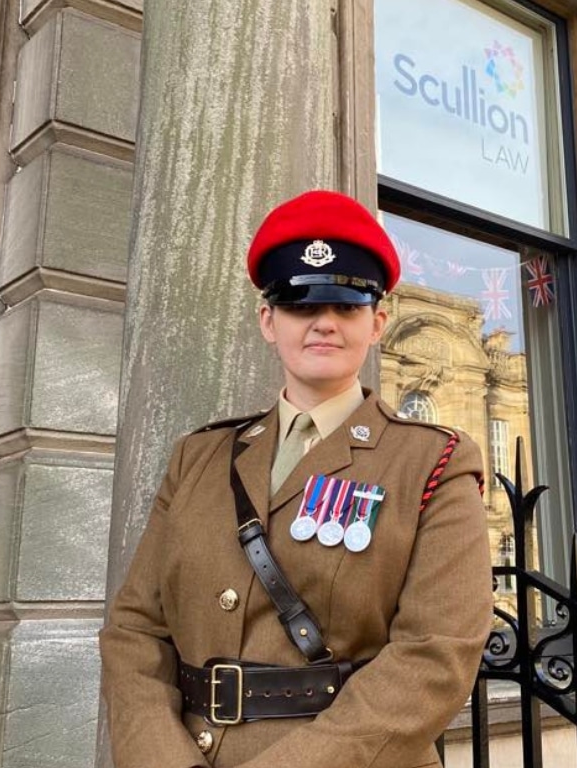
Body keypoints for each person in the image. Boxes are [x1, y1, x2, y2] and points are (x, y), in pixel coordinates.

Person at [99, 190, 494, 768]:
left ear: (378, 322)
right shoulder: (199, 457)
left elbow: (436, 655)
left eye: (346, 306)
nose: (324, 324)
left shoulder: (433, 462)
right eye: (301, 305)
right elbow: (135, 629)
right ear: (269, 320)